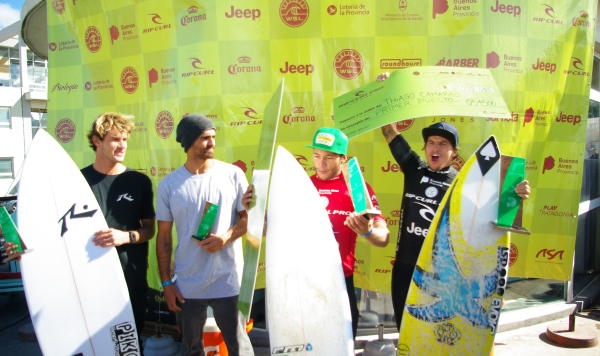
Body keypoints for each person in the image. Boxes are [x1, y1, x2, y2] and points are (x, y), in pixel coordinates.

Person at [377, 71, 531, 331]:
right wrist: (385, 94)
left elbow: (495, 216)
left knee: (432, 335)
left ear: (453, 152)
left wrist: (516, 193)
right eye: (431, 142)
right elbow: (389, 131)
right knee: (406, 331)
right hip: (405, 266)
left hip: (442, 276)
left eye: (443, 144)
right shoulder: (414, 168)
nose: (435, 148)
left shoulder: (463, 183)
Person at [155, 113, 254, 356]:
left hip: (228, 281)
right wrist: (167, 283)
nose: (212, 143)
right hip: (187, 284)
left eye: (213, 137)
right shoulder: (169, 185)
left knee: (239, 347)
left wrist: (226, 238)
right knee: (191, 349)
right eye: (204, 138)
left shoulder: (233, 175)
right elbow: (164, 239)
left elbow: (247, 220)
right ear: (188, 142)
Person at [306, 126, 390, 338]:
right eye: (316, 156)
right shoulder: (302, 185)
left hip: (341, 280)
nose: (321, 163)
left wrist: (369, 232)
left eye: (328, 157)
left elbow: (383, 238)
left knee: (342, 344)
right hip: (305, 280)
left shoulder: (356, 189)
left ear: (342, 159)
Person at [81, 112, 156, 348]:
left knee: (129, 345)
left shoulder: (139, 181)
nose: (122, 145)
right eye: (115, 139)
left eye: (124, 139)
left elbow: (150, 230)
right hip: (91, 280)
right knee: (96, 345)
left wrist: (126, 236)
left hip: (130, 280)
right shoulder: (78, 181)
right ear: (96, 141)